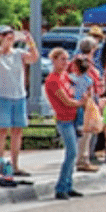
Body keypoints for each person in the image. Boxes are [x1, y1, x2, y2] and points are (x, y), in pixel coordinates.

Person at [45, 48, 84, 200]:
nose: (65, 62)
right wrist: (81, 102)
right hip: (64, 119)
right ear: (53, 60)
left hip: (73, 118)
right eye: (62, 59)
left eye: (66, 59)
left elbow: (75, 88)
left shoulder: (65, 76)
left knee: (73, 154)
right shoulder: (53, 80)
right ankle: (61, 187)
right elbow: (66, 100)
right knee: (72, 152)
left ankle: (68, 184)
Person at [0, 25, 38, 176]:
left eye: (10, 34)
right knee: (2, 132)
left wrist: (30, 42)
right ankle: (1, 164)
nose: (9, 37)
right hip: (3, 97)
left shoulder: (19, 53)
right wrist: (3, 46)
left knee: (17, 131)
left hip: (19, 97)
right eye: (4, 35)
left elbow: (34, 58)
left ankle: (15, 165)